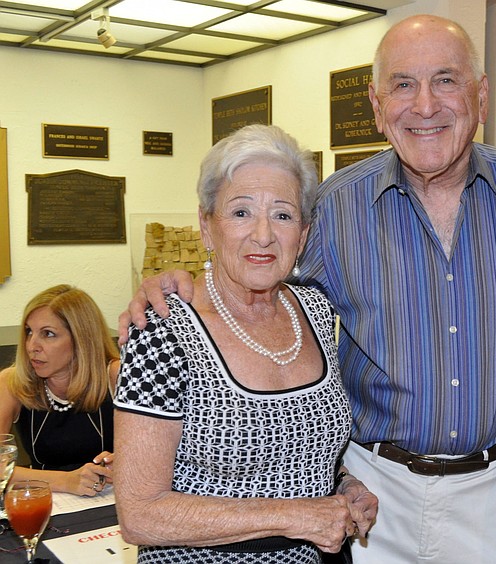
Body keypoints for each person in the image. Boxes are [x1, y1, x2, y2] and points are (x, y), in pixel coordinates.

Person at [120, 16, 496, 564]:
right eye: (402, 85)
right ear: (377, 107)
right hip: (376, 500)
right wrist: (178, 283)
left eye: (445, 81)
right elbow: (257, 266)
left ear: (480, 96)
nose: (424, 106)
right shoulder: (334, 208)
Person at [113, 124, 377, 564]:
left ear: (304, 233)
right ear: (206, 225)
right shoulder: (161, 329)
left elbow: (298, 447)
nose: (262, 234)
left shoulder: (314, 311)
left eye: (282, 214)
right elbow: (140, 513)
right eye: (240, 213)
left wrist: (345, 486)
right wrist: (294, 517)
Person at [0, 284, 117, 496]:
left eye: (48, 334)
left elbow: (163, 453)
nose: (31, 346)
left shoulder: (116, 376)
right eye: (29, 332)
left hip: (109, 500)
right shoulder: (11, 382)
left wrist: (127, 461)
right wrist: (67, 481)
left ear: (82, 339)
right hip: (42, 500)